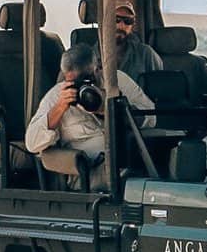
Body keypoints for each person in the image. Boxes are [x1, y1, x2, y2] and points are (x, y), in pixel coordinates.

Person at [26, 43, 154, 189]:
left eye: (88, 79)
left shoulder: (117, 80)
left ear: (98, 68)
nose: (83, 86)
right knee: (132, 181)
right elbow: (32, 143)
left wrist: (110, 109)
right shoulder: (57, 96)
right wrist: (60, 107)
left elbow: (150, 119)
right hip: (88, 171)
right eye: (75, 82)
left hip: (129, 157)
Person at [111, 0, 163, 84]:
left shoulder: (146, 54)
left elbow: (158, 89)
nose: (121, 25)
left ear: (132, 25)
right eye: (116, 19)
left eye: (128, 21)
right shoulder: (90, 56)